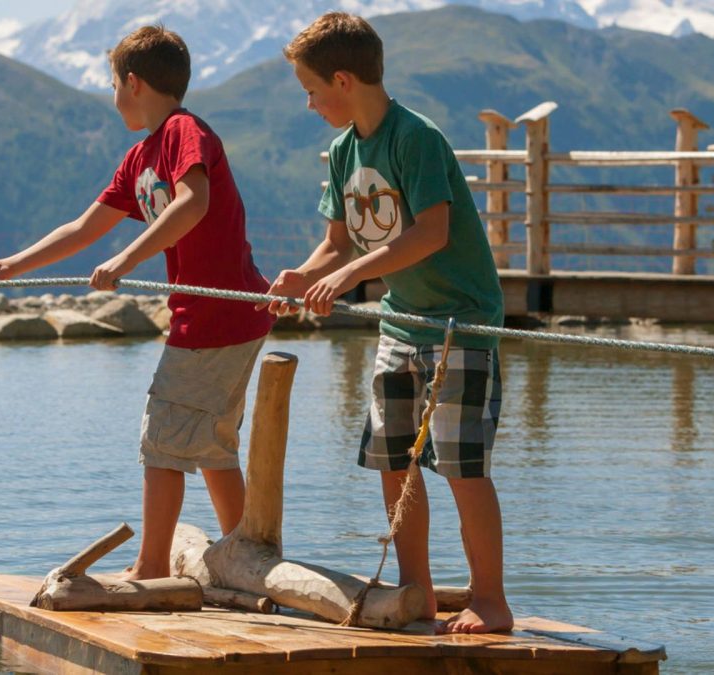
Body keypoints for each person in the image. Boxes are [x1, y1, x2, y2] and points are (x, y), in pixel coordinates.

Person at [0, 25, 273, 580]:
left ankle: (150, 568)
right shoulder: (140, 158)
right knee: (211, 444)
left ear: (133, 83)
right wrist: (8, 267)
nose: (112, 96)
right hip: (224, 317)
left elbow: (193, 202)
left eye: (112, 85)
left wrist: (125, 260)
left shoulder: (183, 131)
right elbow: (84, 228)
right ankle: (246, 556)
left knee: (161, 440)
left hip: (216, 316)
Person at [268, 12, 512, 634]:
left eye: (312, 89)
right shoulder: (343, 151)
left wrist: (350, 276)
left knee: (462, 467)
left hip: (459, 325)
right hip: (400, 325)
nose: (309, 103)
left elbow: (431, 234)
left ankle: (490, 600)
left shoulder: (415, 138)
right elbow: (336, 244)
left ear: (343, 80)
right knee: (393, 461)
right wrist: (302, 277)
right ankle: (416, 590)